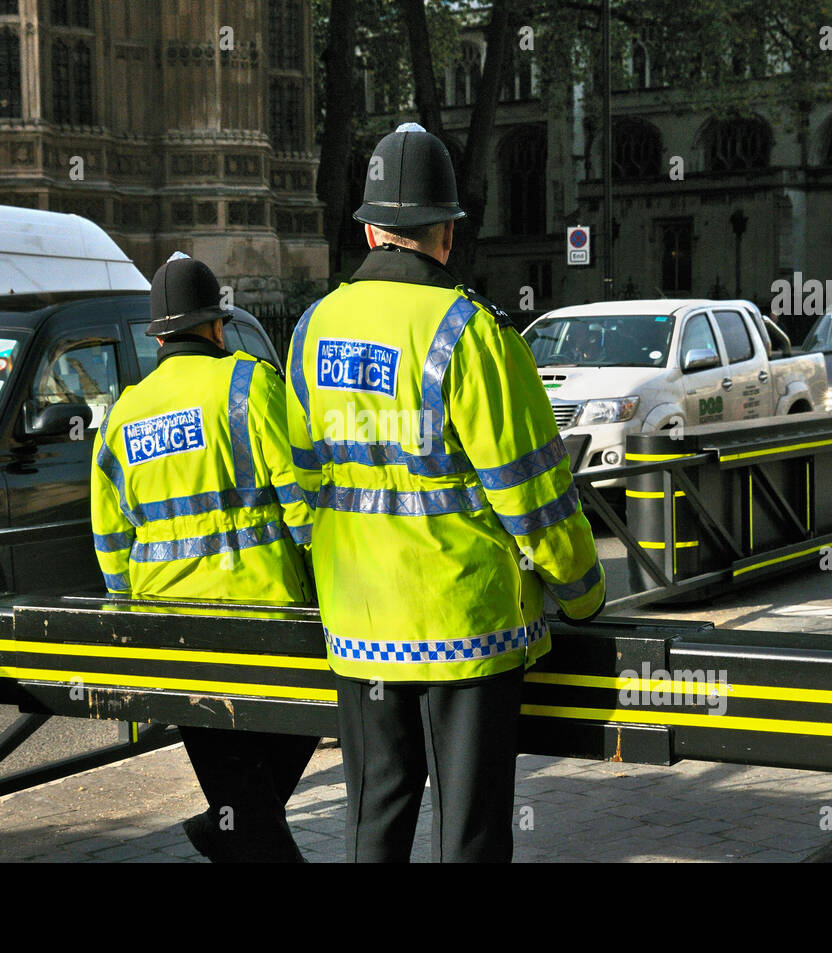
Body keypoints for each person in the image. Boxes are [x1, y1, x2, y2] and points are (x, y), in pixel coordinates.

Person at [286, 123, 606, 863]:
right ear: (449, 231)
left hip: (360, 627)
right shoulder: (474, 335)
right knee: (470, 833)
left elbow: (304, 492)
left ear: (369, 226)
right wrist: (584, 595)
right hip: (467, 630)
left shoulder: (310, 331)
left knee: (373, 820)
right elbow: (535, 497)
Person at [90, 253, 319, 863]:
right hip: (267, 621)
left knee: (237, 786)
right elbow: (302, 504)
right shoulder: (249, 383)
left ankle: (223, 830)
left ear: (159, 336)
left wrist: (126, 608)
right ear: (217, 326)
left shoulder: (122, 415)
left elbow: (111, 541)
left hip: (173, 631)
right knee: (259, 786)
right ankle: (223, 832)